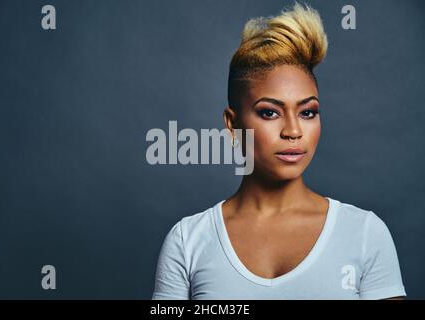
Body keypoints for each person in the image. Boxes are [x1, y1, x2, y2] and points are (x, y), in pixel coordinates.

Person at [151, 2, 406, 300]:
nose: (293, 131)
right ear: (233, 124)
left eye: (308, 112)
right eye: (270, 113)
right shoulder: (187, 240)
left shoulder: (365, 234)